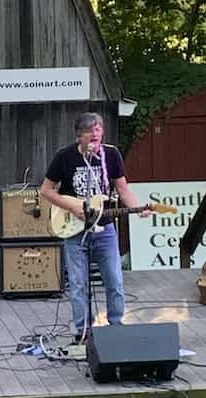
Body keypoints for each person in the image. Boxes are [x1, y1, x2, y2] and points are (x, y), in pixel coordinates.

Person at [40, 112, 150, 343]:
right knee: (79, 284)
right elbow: (46, 190)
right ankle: (82, 333)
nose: (95, 136)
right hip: (74, 228)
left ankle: (116, 329)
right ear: (80, 136)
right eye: (91, 133)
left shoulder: (111, 155)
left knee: (114, 279)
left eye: (99, 131)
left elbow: (122, 188)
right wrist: (72, 205)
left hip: (104, 228)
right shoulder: (64, 156)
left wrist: (138, 208)